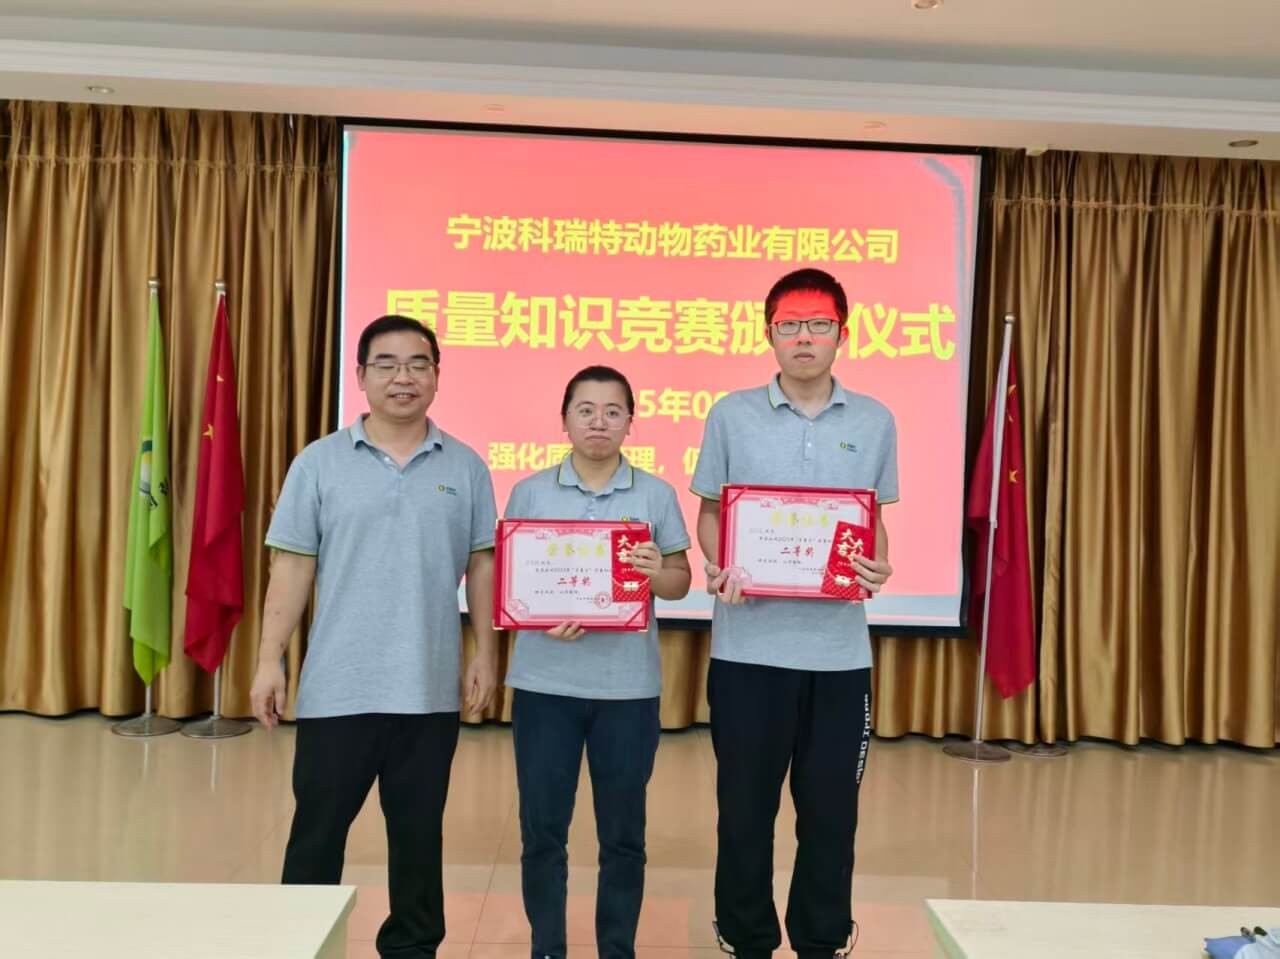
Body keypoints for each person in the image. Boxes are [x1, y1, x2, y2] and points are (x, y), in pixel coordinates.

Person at [249, 314, 499, 959]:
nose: (402, 377)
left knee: (418, 839)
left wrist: (485, 652)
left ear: (437, 375)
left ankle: (413, 948)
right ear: (360, 375)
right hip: (339, 687)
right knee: (317, 834)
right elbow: (292, 566)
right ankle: (299, 944)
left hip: (427, 689)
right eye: (386, 364)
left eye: (418, 364)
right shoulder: (319, 463)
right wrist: (269, 660)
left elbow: (481, 566)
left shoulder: (466, 466)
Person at [690, 269, 898, 959]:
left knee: (832, 816)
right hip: (747, 651)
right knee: (745, 814)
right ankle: (744, 937)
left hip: (839, 658)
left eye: (818, 324)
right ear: (769, 333)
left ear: (843, 332)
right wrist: (721, 564)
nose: (803, 337)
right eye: (789, 324)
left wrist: (879, 564)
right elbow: (713, 513)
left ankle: (821, 938)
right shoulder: (731, 414)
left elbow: (871, 521)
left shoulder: (874, 420)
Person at [503, 365, 692, 959]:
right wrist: (539, 613)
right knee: (542, 832)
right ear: (564, 419)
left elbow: (680, 583)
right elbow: (513, 582)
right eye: (585, 410)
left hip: (627, 689)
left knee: (624, 836)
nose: (599, 422)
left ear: (631, 422)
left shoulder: (655, 494)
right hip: (544, 684)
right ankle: (547, 947)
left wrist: (654, 573)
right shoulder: (531, 491)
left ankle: (617, 948)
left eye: (613, 412)